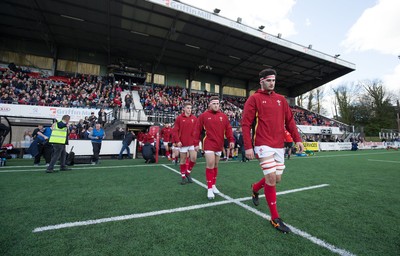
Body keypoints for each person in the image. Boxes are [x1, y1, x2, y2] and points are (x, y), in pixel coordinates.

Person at [241, 68, 304, 233]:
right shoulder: (254, 99)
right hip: (262, 144)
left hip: (279, 144)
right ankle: (275, 218)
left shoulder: (281, 100)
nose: (272, 83)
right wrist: (248, 146)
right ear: (261, 81)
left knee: (277, 179)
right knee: (270, 179)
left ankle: (255, 188)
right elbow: (246, 124)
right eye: (268, 80)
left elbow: (290, 121)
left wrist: (298, 139)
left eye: (274, 80)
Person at [193, 96, 235, 200]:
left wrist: (231, 140)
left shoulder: (223, 116)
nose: (216, 105)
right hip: (208, 143)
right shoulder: (203, 116)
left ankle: (214, 185)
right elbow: (197, 130)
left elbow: (228, 129)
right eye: (214, 104)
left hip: (219, 144)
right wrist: (195, 143)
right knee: (210, 164)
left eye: (217, 104)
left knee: (216, 165)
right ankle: (209, 189)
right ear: (209, 104)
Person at [173, 102, 198, 184]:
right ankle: (183, 177)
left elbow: (197, 131)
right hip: (182, 143)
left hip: (192, 143)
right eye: (188, 108)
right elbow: (175, 131)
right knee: (183, 160)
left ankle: (188, 172)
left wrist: (197, 142)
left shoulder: (194, 118)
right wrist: (177, 141)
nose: (189, 110)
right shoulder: (179, 118)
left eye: (190, 108)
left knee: (194, 158)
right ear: (184, 109)